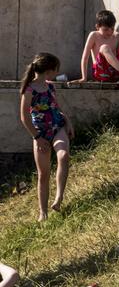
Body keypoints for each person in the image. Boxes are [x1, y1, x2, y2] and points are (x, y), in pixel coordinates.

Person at [19, 53, 73, 221]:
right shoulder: (29, 90)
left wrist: (68, 122)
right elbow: (24, 117)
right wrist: (37, 137)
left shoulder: (50, 86)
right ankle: (43, 212)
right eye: (56, 70)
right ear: (49, 71)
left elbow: (55, 107)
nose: (57, 73)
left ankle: (58, 198)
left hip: (57, 127)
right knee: (43, 174)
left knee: (63, 156)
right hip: (41, 134)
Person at [72, 10, 119, 85]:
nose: (109, 32)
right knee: (104, 47)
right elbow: (85, 57)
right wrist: (84, 78)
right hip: (101, 72)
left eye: (112, 28)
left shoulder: (117, 36)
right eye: (105, 29)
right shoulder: (94, 35)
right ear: (97, 27)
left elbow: (118, 57)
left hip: (115, 72)